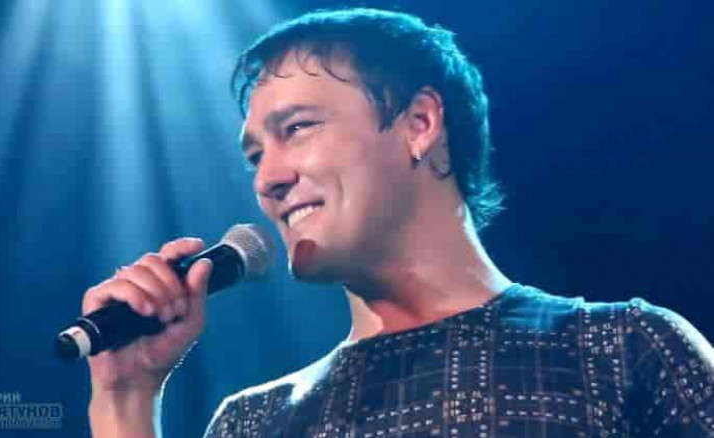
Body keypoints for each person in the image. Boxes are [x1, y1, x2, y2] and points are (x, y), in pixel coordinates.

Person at [83, 8, 714, 438]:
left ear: (419, 124)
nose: (266, 178)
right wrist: (125, 399)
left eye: (296, 129)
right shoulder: (252, 423)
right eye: (255, 155)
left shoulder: (623, 351)